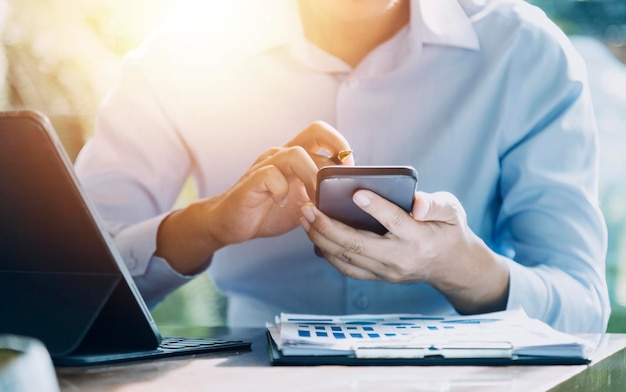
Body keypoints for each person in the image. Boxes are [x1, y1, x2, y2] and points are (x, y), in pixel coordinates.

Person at [74, 0, 610, 333]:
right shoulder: (176, 59)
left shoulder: (526, 52)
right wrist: (208, 224)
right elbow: (67, 284)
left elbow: (583, 309)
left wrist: (461, 267)